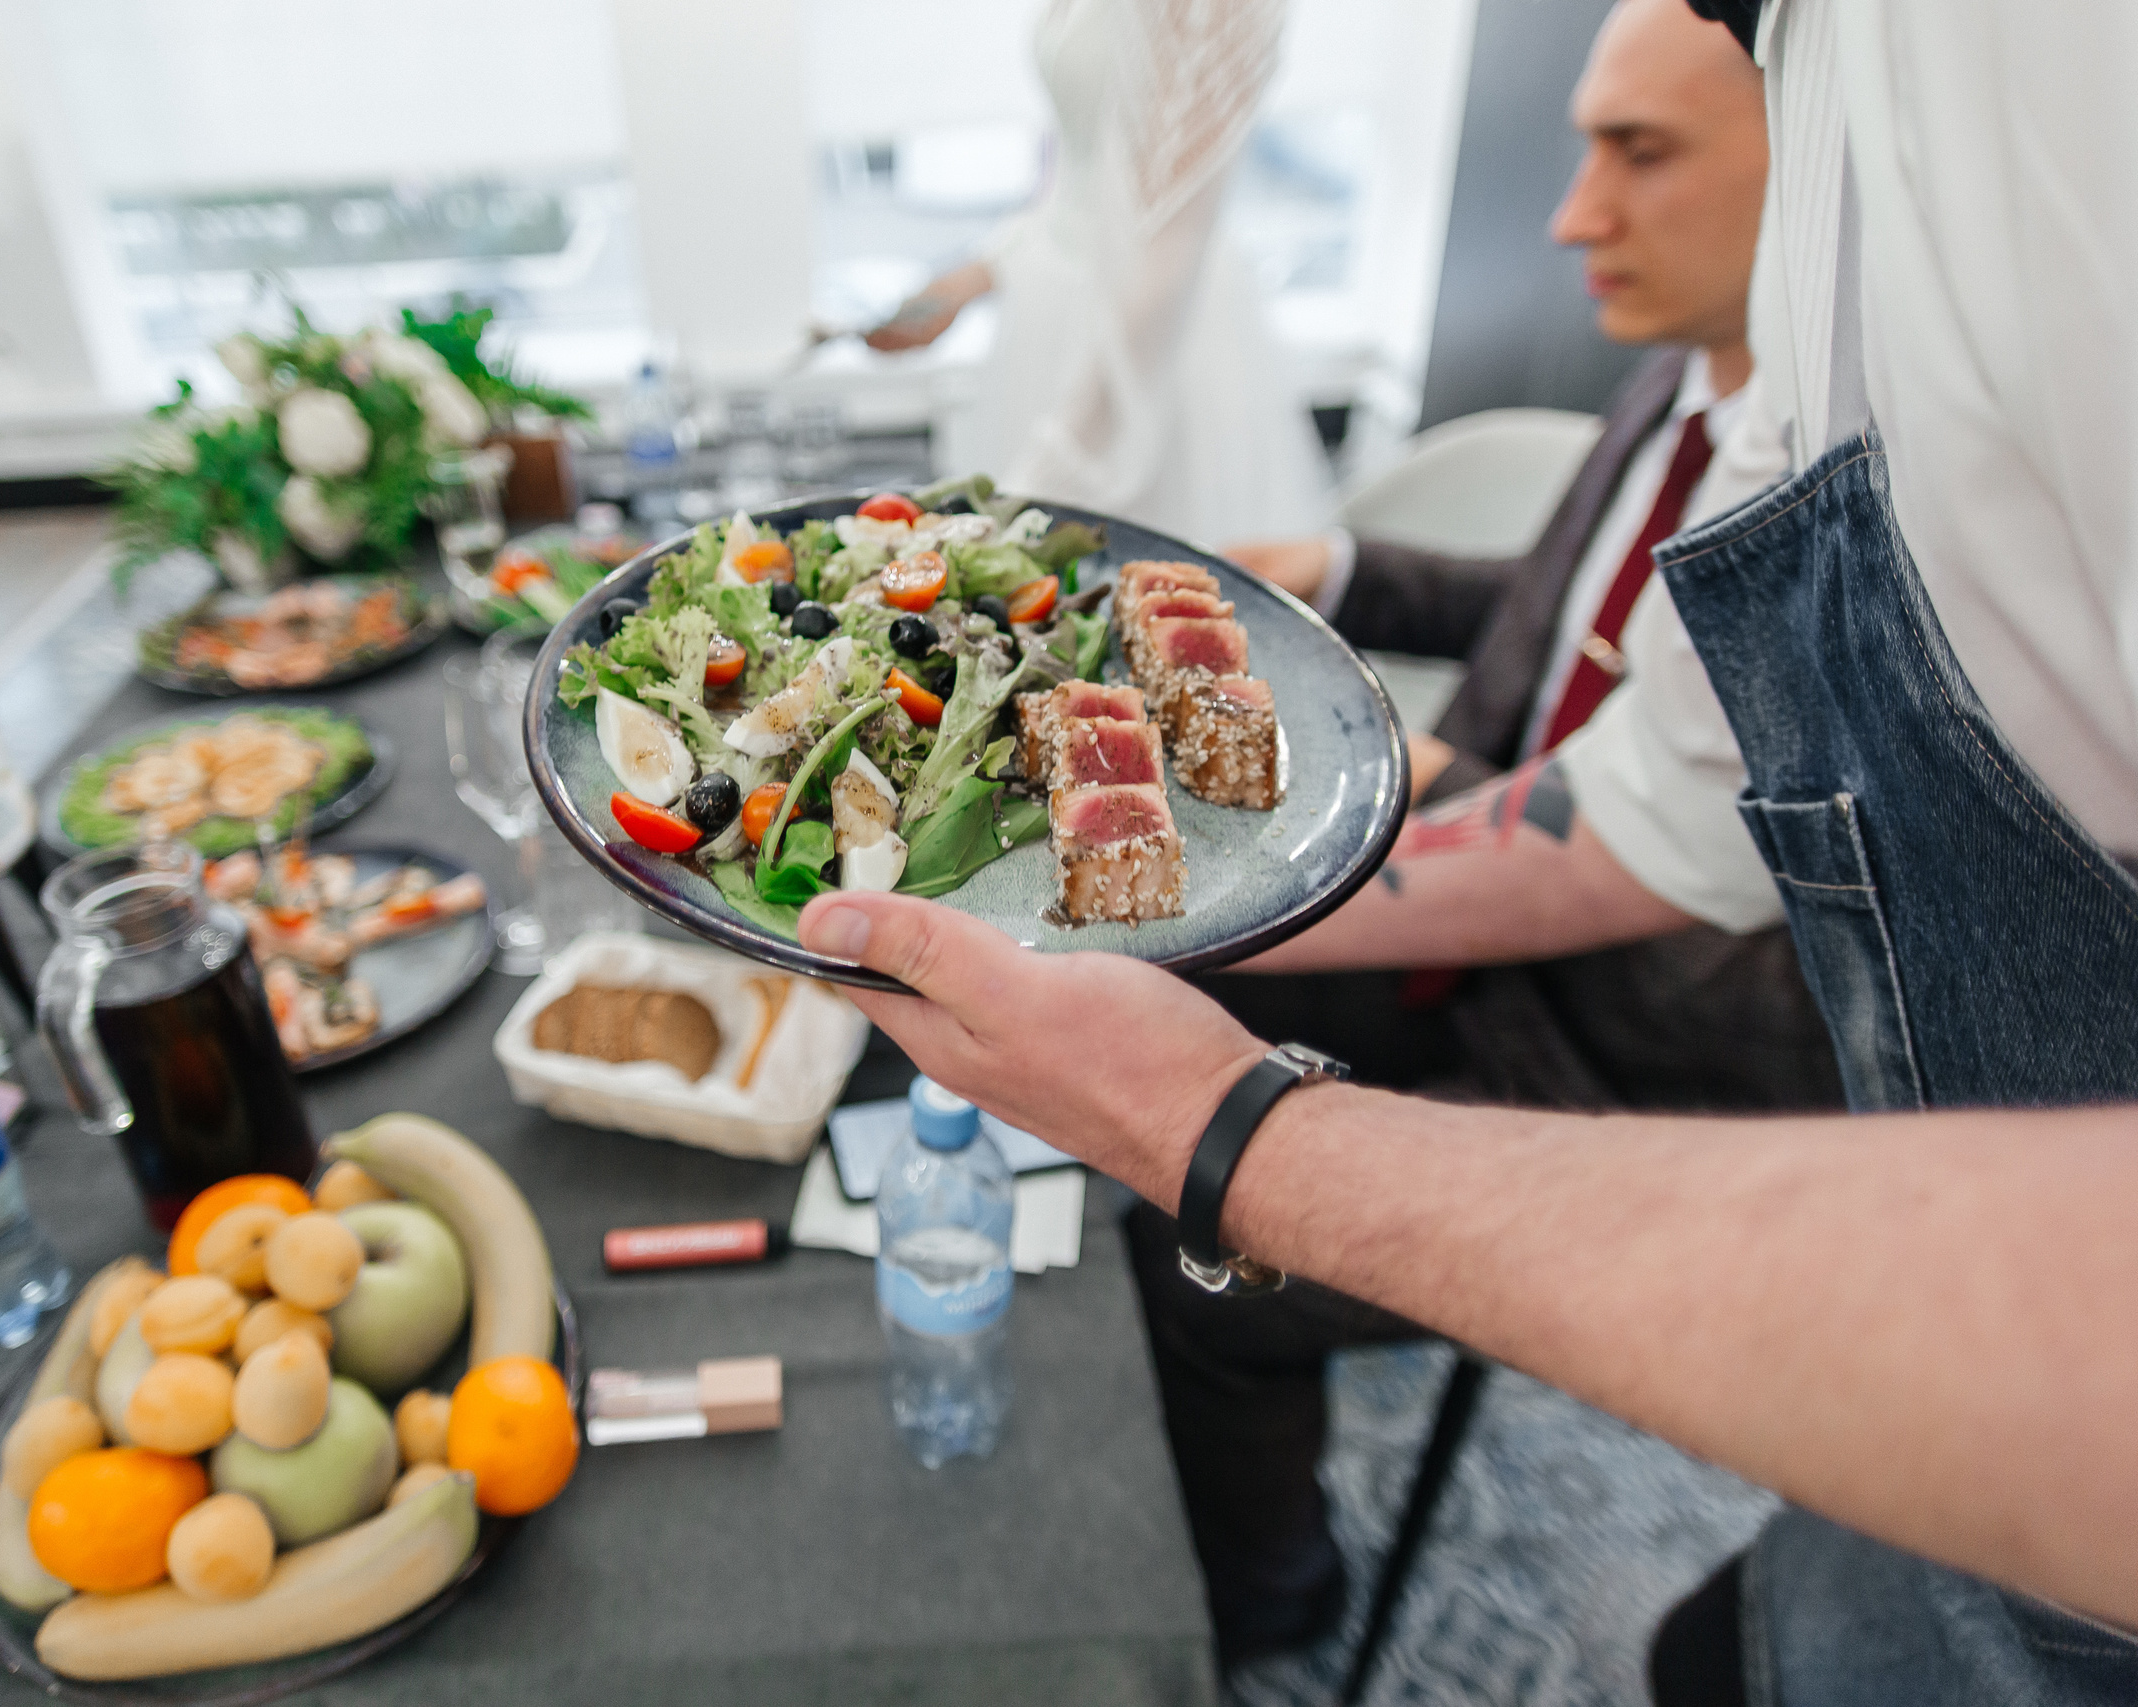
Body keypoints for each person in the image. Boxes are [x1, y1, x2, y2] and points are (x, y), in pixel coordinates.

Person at [794, 0, 2138, 1698]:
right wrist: (1186, 920)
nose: (1574, 209)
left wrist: (1228, 1132)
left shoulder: (2051, 87)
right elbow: (1644, 801)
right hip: (1939, 1476)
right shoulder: (1797, 270)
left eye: (1640, 150)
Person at [1117, 1, 1830, 1671]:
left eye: (1639, 154)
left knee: (1188, 1249)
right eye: (1583, 144)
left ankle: (1274, 1601)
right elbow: (1563, 607)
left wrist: (1437, 805)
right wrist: (1347, 569)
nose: (1573, 212)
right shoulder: (1679, 380)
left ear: (1823, 164)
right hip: (1477, 913)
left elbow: (1776, 946)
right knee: (1154, 1049)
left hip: (1628, 1066)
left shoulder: (1842, 512)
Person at [862, 0, 1333, 546]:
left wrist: (1050, 475)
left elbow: (1164, 249)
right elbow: (1085, 178)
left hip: (1144, 353)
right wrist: (973, 278)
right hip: (1053, 326)